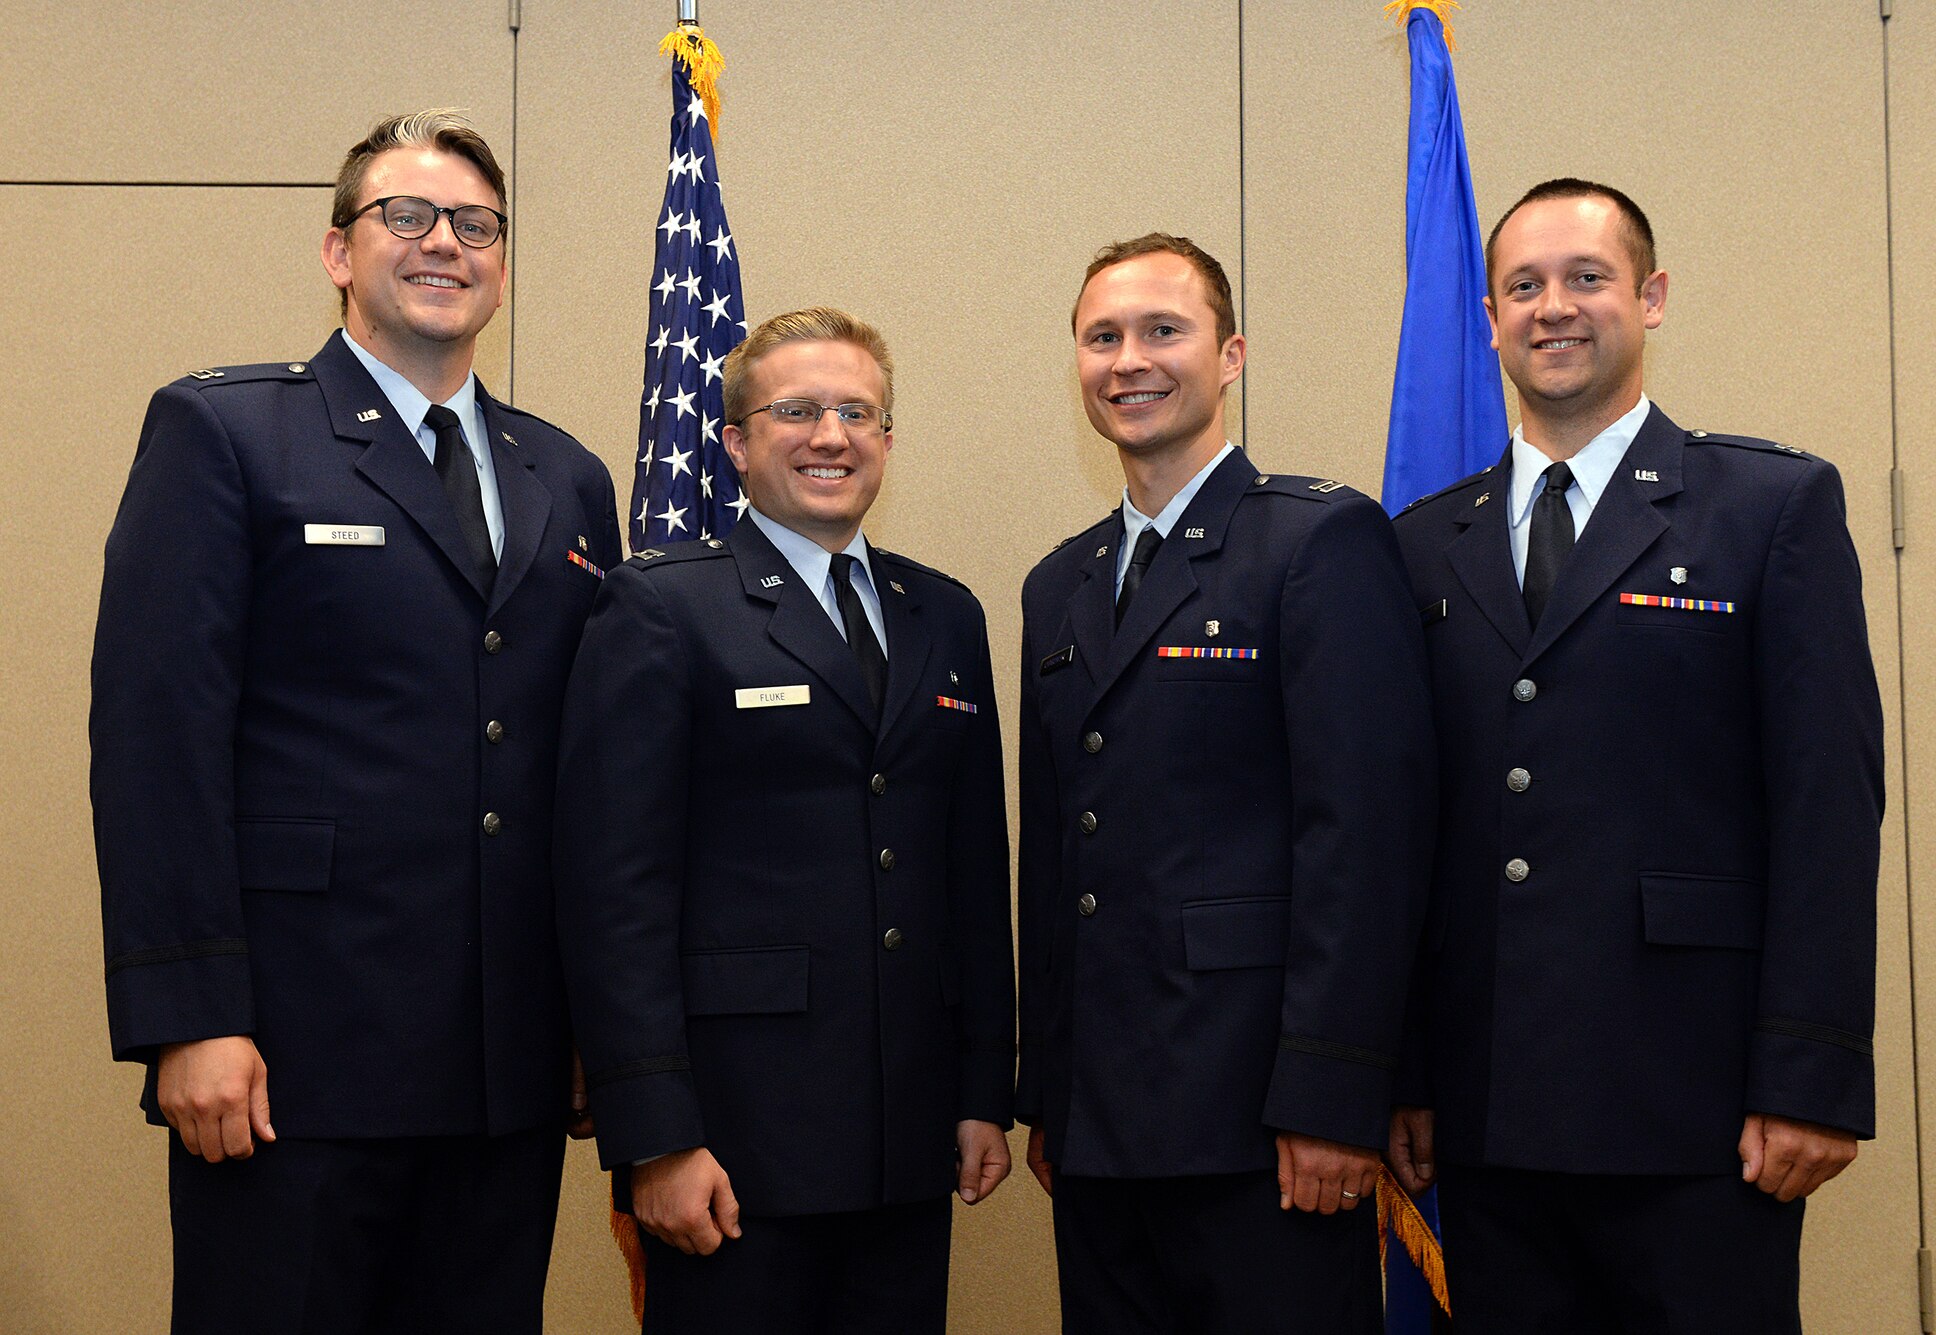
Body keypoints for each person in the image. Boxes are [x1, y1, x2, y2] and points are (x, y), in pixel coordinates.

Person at [89, 109, 621, 1333]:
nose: (445, 242)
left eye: (476, 225)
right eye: (407, 215)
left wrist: (600, 1020)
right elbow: (155, 740)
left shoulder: (567, 476)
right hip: (292, 1056)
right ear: (339, 251)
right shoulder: (226, 433)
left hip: (506, 1064)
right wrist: (191, 1016)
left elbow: (590, 778)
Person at [1386, 179, 1884, 1333]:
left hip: (1696, 1105)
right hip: (1489, 1101)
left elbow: (1825, 803)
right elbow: (1401, 827)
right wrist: (1403, 1070)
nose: (1552, 307)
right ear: (1487, 316)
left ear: (1648, 297)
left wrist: (1809, 1075)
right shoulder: (1419, 544)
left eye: (1585, 278)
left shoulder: (1768, 508)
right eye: (1522, 286)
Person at [553, 307, 1016, 1335]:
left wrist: (985, 1086)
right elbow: (610, 890)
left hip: (906, 1135)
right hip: (731, 1141)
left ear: (886, 441)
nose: (830, 436)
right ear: (734, 441)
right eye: (796, 410)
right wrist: (654, 1137)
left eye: (858, 412)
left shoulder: (944, 615)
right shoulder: (660, 608)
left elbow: (971, 873)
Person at [1014, 234, 1436, 1334]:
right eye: (1101, 336)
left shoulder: (1314, 541)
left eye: (1163, 330)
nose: (1128, 360)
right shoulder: (1057, 584)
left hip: (1263, 1121)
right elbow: (1057, 858)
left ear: (1230, 352)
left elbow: (1362, 838)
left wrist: (1333, 1098)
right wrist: (1049, 1096)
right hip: (1102, 1125)